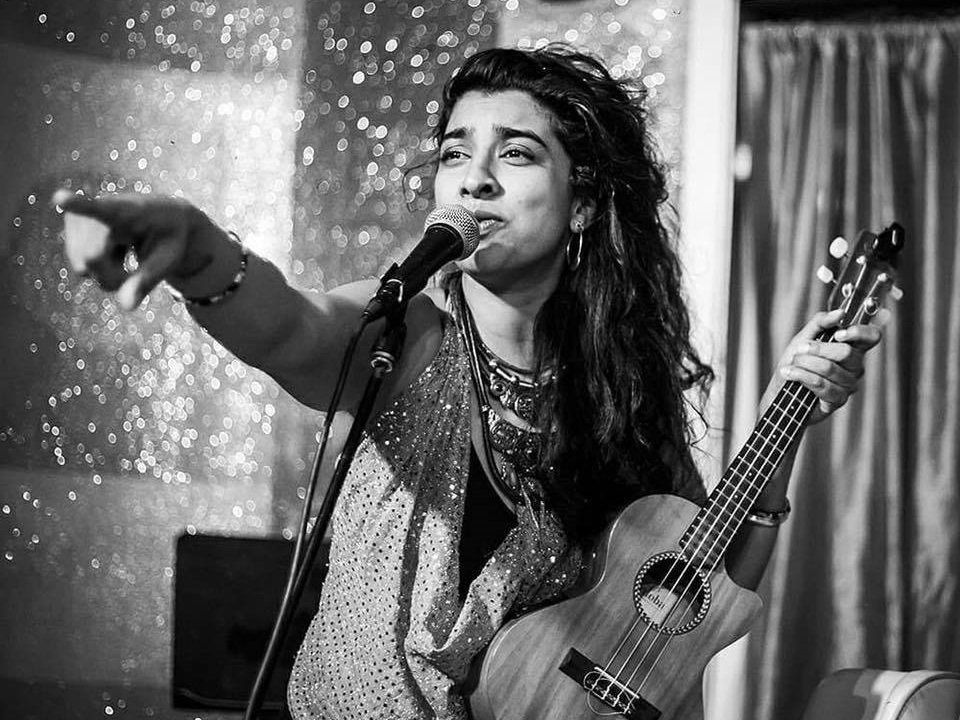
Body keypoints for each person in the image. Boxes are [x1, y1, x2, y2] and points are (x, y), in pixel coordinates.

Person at [56, 45, 880, 720]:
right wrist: (202, 253)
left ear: (583, 204)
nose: (473, 178)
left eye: (514, 154)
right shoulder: (407, 331)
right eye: (455, 153)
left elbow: (701, 591)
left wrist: (789, 417)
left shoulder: (624, 389)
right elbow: (293, 327)